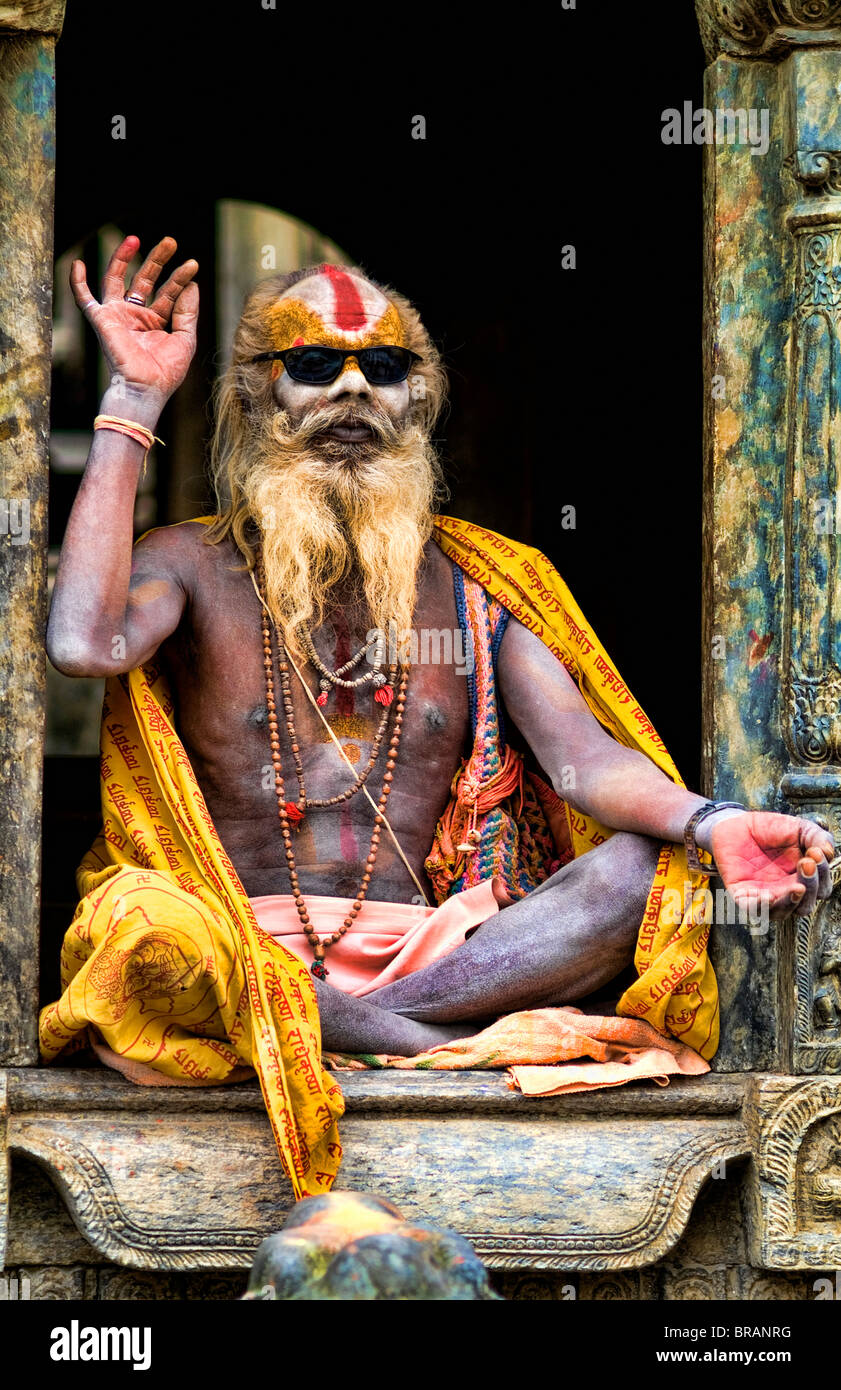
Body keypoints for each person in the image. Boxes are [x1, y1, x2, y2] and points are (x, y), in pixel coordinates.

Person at [40, 235, 835, 1193]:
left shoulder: (481, 581)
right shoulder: (189, 564)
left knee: (640, 872)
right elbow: (86, 647)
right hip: (233, 945)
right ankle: (421, 1040)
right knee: (137, 929)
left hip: (450, 954)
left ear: (419, 399)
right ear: (256, 395)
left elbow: (583, 764)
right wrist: (130, 404)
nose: (351, 394)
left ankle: (372, 1024)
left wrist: (715, 821)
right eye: (311, 367)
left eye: (382, 368)